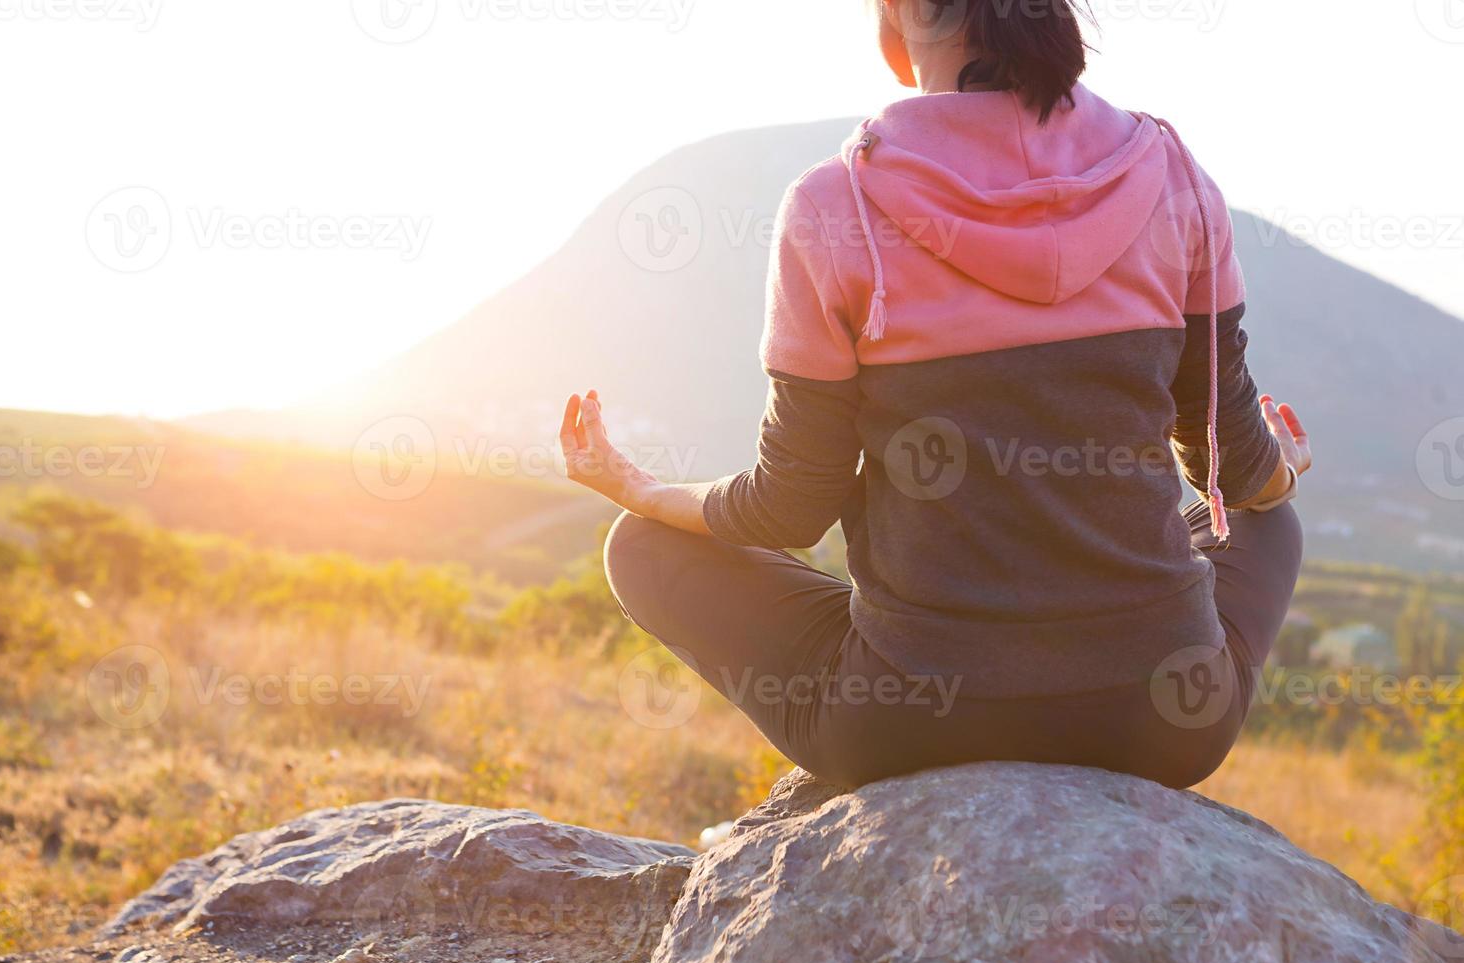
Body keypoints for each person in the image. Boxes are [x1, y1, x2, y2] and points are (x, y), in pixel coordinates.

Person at [559, 0, 1310, 789]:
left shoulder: (833, 205)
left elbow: (790, 507)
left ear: (898, 21)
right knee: (1269, 518)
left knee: (640, 542)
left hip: (908, 721)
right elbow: (1231, 464)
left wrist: (638, 488)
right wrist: (1281, 470)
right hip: (1165, 718)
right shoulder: (1176, 179)